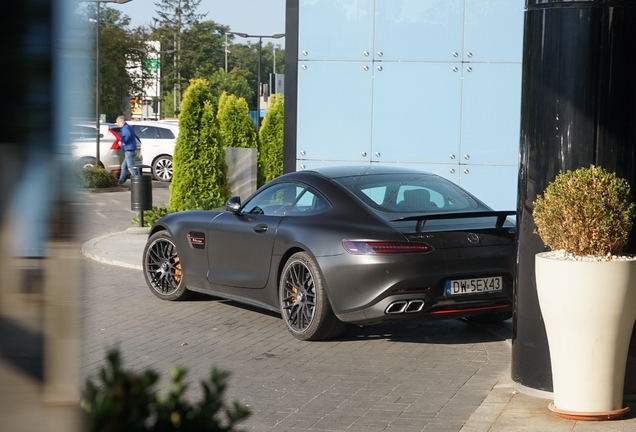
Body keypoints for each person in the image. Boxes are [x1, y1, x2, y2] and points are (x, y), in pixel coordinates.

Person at [116, 115, 138, 186]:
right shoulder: (128, 127)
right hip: (130, 149)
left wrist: (123, 142)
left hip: (129, 149)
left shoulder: (125, 128)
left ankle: (136, 184)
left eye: (118, 123)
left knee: (131, 167)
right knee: (124, 166)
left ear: (122, 122)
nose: (118, 124)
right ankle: (120, 182)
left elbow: (127, 135)